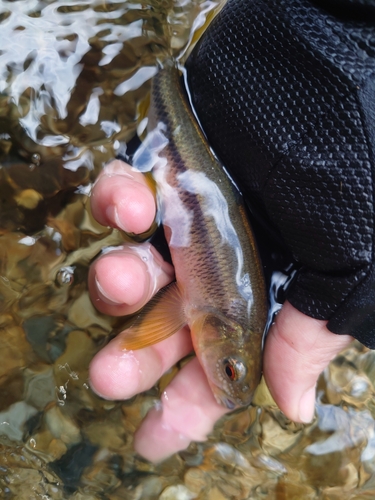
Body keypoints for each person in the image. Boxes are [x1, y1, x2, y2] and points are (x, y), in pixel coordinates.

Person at [88, 0, 375, 462]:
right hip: (186, 137)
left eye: (231, 371)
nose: (226, 382)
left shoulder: (215, 317)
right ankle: (158, 65)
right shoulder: (212, 313)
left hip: (195, 132)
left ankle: (157, 56)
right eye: (229, 368)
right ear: (221, 332)